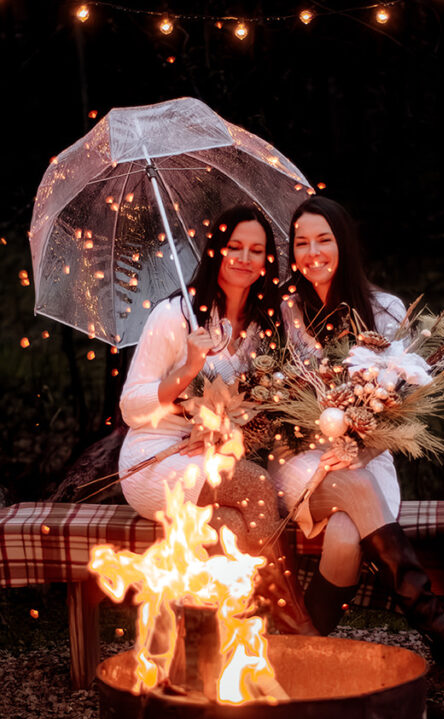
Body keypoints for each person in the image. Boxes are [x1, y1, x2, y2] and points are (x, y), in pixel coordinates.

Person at [271, 196, 444, 677]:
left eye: (323, 240)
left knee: (347, 538)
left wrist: (362, 444)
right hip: (299, 460)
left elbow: (404, 405)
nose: (313, 252)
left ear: (343, 243)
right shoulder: (284, 312)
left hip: (371, 459)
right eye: (301, 242)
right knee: (352, 482)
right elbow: (274, 401)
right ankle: (438, 627)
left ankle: (299, 650)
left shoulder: (385, 309)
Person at [119, 204, 316, 635]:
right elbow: (132, 408)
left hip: (218, 458)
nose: (244, 258)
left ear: (268, 260)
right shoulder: (177, 316)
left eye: (256, 250)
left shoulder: (268, 322)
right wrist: (189, 367)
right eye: (235, 246)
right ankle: (288, 614)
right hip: (158, 457)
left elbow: (307, 372)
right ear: (216, 251)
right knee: (257, 483)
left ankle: (238, 638)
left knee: (229, 525)